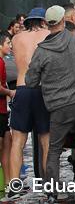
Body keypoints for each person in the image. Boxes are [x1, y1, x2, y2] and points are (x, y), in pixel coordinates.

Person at [26, 6, 75, 194]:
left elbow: (31, 81)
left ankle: (51, 192)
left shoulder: (41, 51)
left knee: (54, 150)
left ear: (46, 24)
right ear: (63, 20)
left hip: (58, 108)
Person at [7, 8, 51, 194]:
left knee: (18, 141)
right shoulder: (49, 35)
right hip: (42, 90)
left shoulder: (16, 39)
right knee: (46, 141)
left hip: (22, 89)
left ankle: (14, 185)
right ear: (43, 21)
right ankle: (50, 185)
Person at [0, 33, 13, 182]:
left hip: (4, 111)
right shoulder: (0, 62)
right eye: (8, 43)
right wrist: (11, 92)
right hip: (0, 111)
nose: (10, 46)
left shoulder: (3, 61)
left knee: (8, 143)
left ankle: (10, 183)